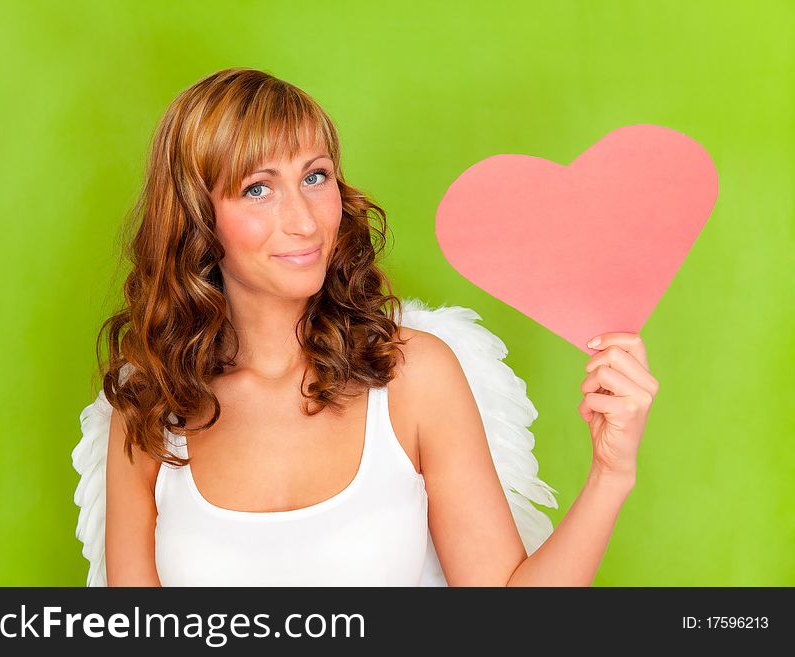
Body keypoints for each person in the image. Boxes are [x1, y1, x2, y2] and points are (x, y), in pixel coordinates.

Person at [74, 67, 658, 587]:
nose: (304, 220)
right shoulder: (147, 406)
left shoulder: (414, 377)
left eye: (315, 176)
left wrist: (611, 475)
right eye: (258, 188)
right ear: (199, 219)